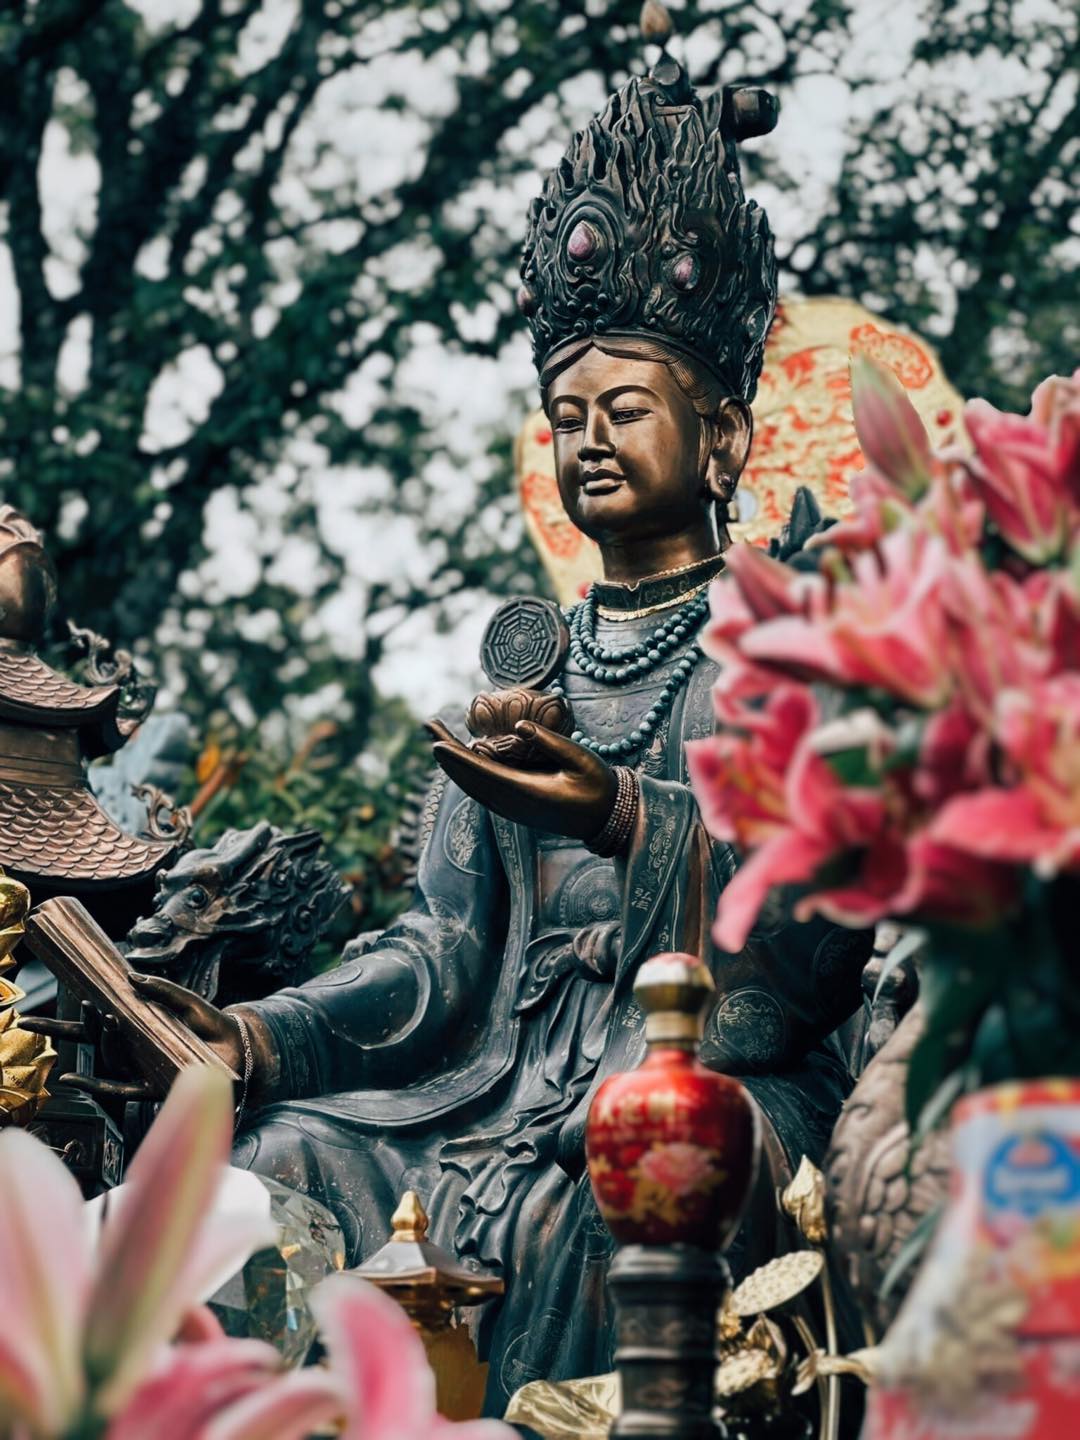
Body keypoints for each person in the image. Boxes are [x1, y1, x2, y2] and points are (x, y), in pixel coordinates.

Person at [61, 29, 870, 1413]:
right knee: (280, 1161)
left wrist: (624, 820)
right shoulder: (523, 683)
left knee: (612, 1189)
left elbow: (810, 953)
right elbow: (438, 956)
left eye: (626, 405)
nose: (592, 437)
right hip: (488, 1094)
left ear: (726, 437)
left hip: (690, 1083)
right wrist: (261, 1036)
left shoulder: (788, 652)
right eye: (567, 413)